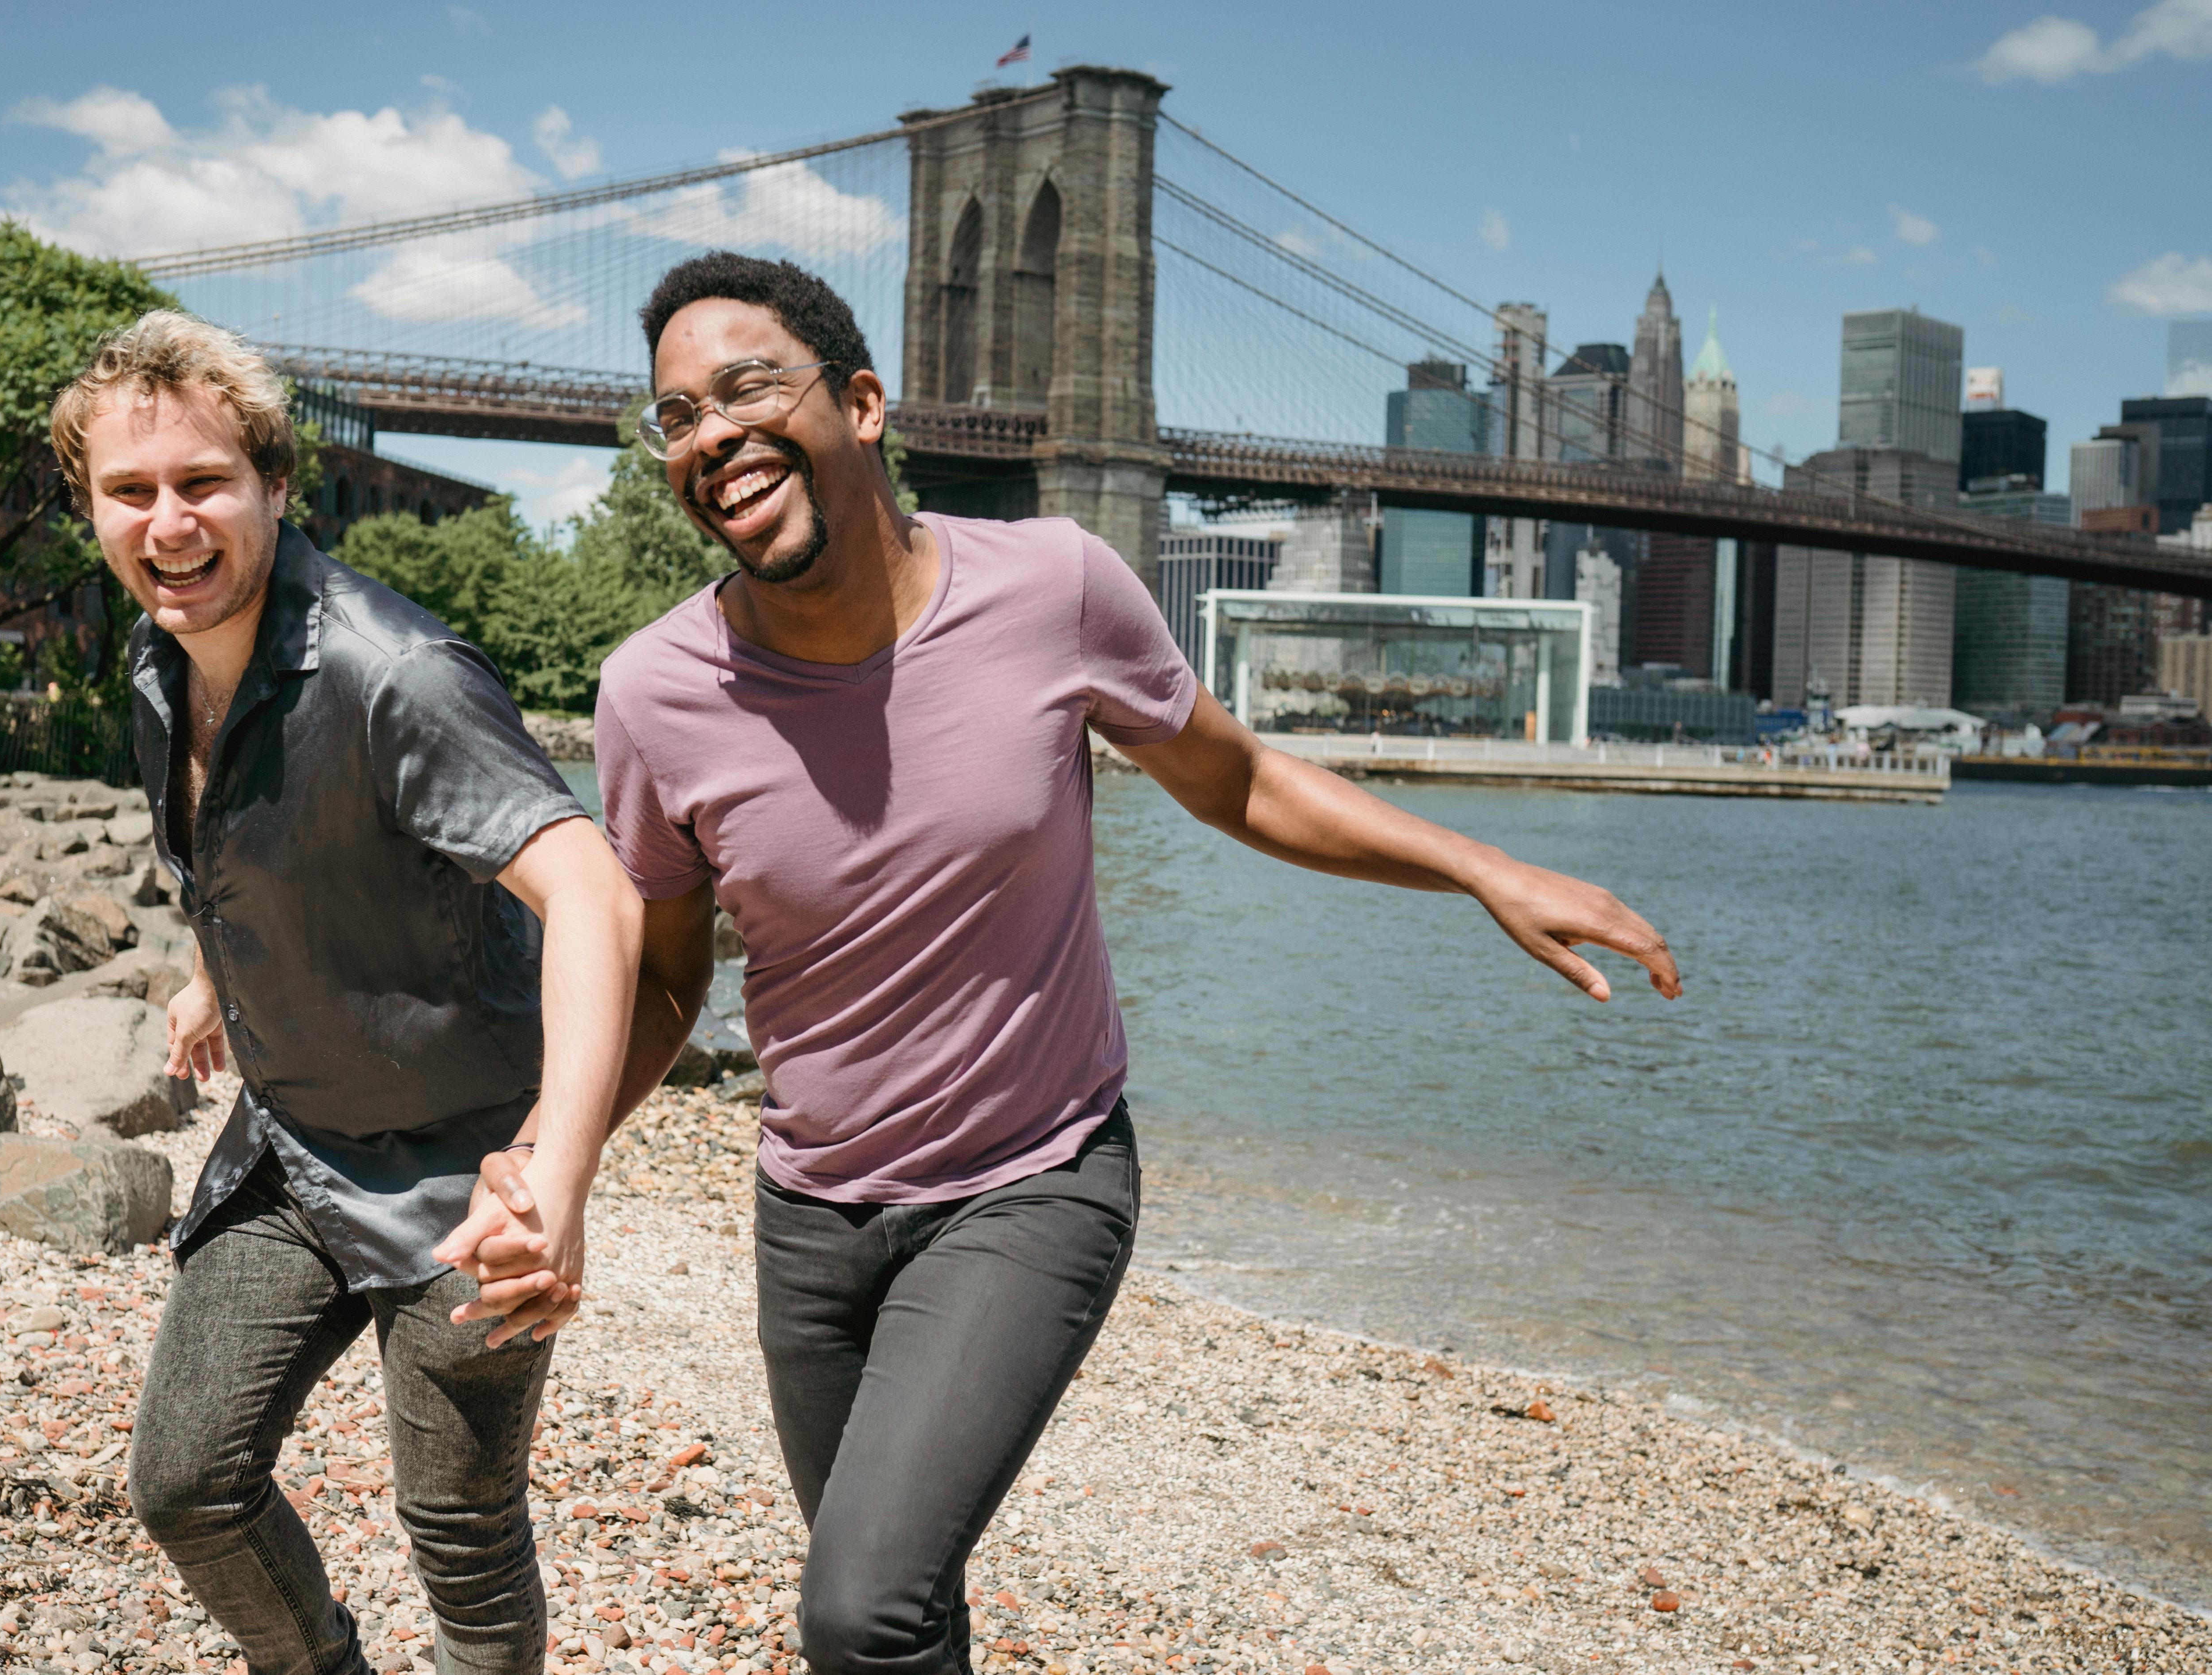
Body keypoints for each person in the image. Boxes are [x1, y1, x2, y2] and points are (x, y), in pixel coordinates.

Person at [446, 255, 1681, 1675]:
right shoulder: (656, 692)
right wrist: (555, 1161)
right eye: (675, 416)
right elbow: (665, 981)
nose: (711, 436)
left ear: (860, 404)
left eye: (747, 388)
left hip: (1034, 1182)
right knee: (905, 1608)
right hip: (809, 1217)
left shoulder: (1055, 586)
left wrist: (1479, 867)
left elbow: (1239, 783)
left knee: (860, 1610)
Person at [52, 310, 641, 1675]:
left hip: (462, 1172)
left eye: (201, 482)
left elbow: (598, 895)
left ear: (273, 484)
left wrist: (558, 1173)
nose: (168, 521)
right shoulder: (158, 656)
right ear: (91, 507)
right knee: (186, 1480)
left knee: (464, 1532)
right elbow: (232, 838)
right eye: (129, 492)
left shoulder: (400, 675)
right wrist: (213, 971)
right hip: (294, 1145)